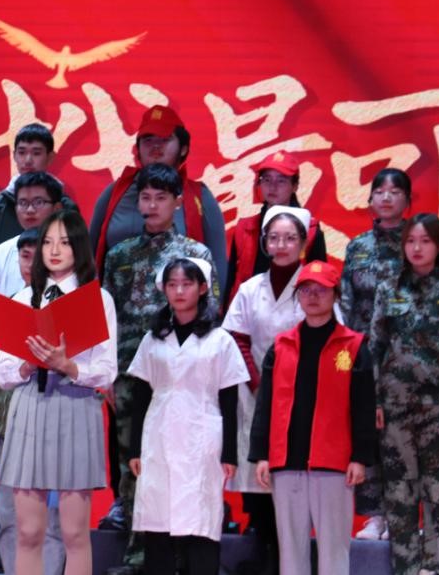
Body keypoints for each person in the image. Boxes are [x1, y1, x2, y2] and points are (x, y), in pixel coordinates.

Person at [100, 163, 220, 561]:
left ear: (177, 202)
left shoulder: (195, 254)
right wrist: (108, 374)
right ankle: (139, 556)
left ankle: (182, 556)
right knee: (133, 462)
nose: (151, 206)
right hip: (129, 374)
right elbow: (106, 318)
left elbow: (211, 316)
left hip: (181, 377)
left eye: (160, 198)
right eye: (145, 198)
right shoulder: (119, 255)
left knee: (183, 463)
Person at [0, 210, 118, 575]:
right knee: (28, 532)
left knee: (74, 533)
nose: (53, 250)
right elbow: (2, 373)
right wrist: (25, 365)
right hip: (29, 408)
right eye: (47, 242)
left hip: (76, 408)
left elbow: (107, 370)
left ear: (79, 247)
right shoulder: (22, 299)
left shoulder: (98, 299)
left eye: (64, 242)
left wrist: (68, 366)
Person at [250, 261, 377, 575]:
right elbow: (265, 404)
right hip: (287, 462)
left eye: (321, 290)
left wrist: (360, 457)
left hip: (333, 464)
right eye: (305, 290)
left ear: (336, 295)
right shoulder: (281, 346)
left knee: (334, 550)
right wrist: (262, 454)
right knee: (291, 553)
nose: (313, 296)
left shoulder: (353, 346)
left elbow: (363, 405)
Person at [127, 258, 249, 575]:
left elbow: (229, 399)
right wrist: (135, 449)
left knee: (201, 522)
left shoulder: (220, 339)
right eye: (172, 285)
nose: (179, 291)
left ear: (203, 288)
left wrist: (230, 453)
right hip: (159, 434)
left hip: (202, 434)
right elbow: (140, 396)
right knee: (158, 523)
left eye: (187, 284)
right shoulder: (153, 338)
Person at [369, 213, 439, 575]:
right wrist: (375, 401)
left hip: (438, 409)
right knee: (400, 494)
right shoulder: (388, 289)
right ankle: (407, 569)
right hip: (395, 407)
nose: (417, 248)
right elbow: (375, 347)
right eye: (411, 240)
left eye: (425, 241)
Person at [220, 205, 314, 574]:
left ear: (303, 242)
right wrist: (260, 382)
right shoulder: (250, 288)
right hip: (254, 392)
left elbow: (326, 337)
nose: (281, 245)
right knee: (257, 486)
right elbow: (235, 337)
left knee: (292, 489)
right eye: (274, 238)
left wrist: (287, 387)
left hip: (300, 396)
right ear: (264, 243)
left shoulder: (315, 285)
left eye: (290, 238)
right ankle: (263, 559)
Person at [0, 228, 68, 575]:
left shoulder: (66, 306)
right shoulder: (8, 308)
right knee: (9, 517)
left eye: (39, 256)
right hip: (9, 427)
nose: (31, 264)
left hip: (53, 423)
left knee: (50, 520)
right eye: (25, 256)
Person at [339, 167, 412, 541]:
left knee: (401, 435)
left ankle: (402, 514)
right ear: (370, 199)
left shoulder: (417, 242)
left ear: (407, 200)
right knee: (366, 430)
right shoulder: (358, 246)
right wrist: (344, 355)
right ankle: (374, 516)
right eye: (379, 190)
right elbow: (345, 301)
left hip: (404, 357)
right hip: (362, 354)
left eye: (395, 191)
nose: (386, 197)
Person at [89, 105, 227, 290]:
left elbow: (218, 267)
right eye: (148, 139)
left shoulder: (200, 197)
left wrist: (217, 306)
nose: (155, 146)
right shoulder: (114, 193)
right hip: (118, 305)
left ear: (183, 148)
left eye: (165, 139)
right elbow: (88, 257)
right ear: (137, 148)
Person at [0, 123, 78, 278]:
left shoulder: (65, 207)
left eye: (36, 153)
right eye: (22, 152)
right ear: (14, 156)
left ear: (50, 157)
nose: (28, 160)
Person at [224, 151, 327, 305]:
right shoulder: (244, 228)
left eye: (281, 180)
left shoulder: (310, 231)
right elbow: (231, 279)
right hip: (248, 310)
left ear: (295, 186)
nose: (272, 187)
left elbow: (320, 282)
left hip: (293, 311)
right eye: (267, 179)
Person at [0, 171, 65, 299]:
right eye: (23, 203)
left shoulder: (72, 253)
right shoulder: (1, 254)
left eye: (38, 202)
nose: (30, 210)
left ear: (57, 208)